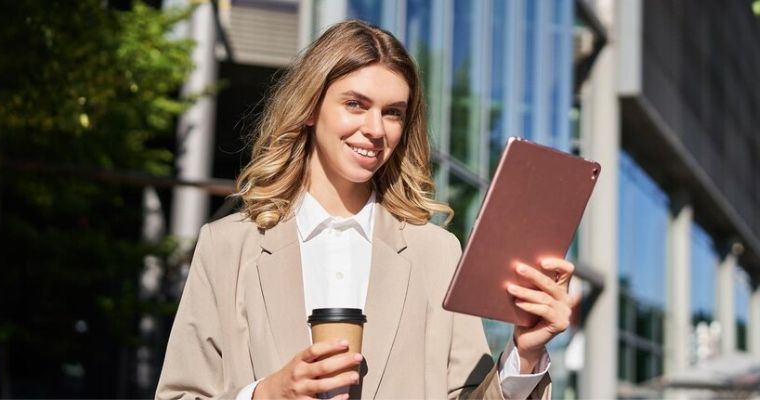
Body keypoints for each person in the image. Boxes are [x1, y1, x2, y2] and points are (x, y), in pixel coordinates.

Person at [156, 20, 574, 400]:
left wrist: (525, 353)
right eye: (355, 104)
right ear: (309, 108)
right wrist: (266, 394)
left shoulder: (436, 253)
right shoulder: (228, 246)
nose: (375, 129)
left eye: (392, 113)